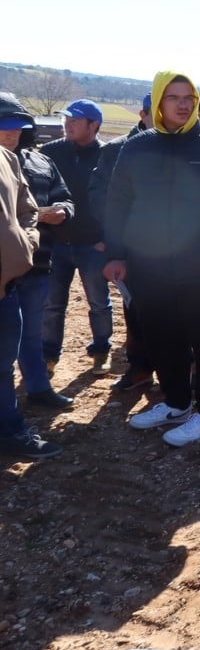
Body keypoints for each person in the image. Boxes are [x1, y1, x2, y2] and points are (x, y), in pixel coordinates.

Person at [103, 71, 200, 447]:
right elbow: (118, 202)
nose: (183, 103)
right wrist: (118, 253)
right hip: (150, 268)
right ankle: (176, 402)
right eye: (173, 97)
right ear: (158, 103)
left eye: (188, 96)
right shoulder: (138, 148)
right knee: (162, 339)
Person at [1, 120, 61, 458]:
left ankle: (9, 429)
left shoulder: (9, 161)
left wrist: (26, 244)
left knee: (4, 361)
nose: (11, 134)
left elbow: (26, 211)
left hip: (9, 281)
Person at [39, 98, 112, 375]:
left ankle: (101, 350)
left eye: (75, 120)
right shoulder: (50, 152)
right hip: (56, 244)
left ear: (93, 125)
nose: (67, 124)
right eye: (66, 119)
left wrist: (108, 239)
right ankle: (49, 356)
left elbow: (118, 201)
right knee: (52, 304)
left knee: (98, 303)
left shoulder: (108, 156)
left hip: (93, 244)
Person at [90, 94, 156, 391]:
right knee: (136, 310)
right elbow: (101, 199)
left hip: (176, 248)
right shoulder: (118, 150)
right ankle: (140, 368)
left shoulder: (185, 148)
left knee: (178, 313)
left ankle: (176, 377)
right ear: (143, 114)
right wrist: (113, 240)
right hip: (132, 248)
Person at [12, 112, 76, 410]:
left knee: (32, 332)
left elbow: (64, 197)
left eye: (17, 126)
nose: (11, 132)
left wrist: (63, 210)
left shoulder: (41, 162)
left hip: (37, 264)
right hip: (3, 271)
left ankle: (37, 387)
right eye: (4, 125)